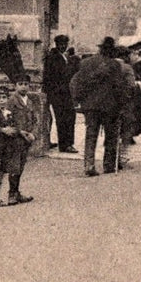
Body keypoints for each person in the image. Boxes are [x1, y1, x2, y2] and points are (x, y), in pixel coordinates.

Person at [69, 36, 131, 176]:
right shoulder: (115, 65)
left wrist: (80, 101)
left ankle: (89, 165)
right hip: (110, 106)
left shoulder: (86, 63)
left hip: (91, 106)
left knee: (91, 135)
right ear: (111, 51)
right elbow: (119, 87)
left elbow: (78, 83)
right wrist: (122, 103)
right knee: (111, 136)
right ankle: (109, 165)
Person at [42, 34, 78, 155]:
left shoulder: (61, 56)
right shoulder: (53, 57)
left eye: (65, 44)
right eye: (61, 44)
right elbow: (60, 75)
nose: (63, 46)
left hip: (64, 93)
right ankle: (66, 145)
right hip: (59, 93)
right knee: (64, 118)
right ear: (56, 44)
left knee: (67, 117)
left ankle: (67, 143)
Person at [7, 77, 36, 205]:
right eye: (20, 84)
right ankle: (11, 194)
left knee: (21, 165)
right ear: (15, 85)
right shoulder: (11, 101)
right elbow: (7, 119)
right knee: (14, 165)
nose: (23, 87)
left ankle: (17, 192)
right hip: (15, 138)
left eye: (26, 84)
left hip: (26, 139)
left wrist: (33, 133)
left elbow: (35, 119)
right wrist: (19, 131)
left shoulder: (29, 101)